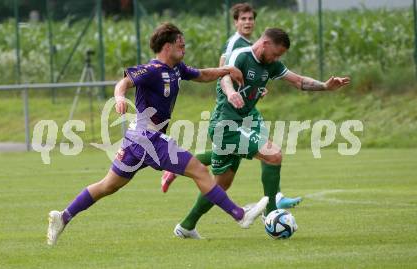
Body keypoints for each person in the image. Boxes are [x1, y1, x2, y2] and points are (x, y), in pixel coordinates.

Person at [46, 23, 269, 246]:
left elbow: (202, 75)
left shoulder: (177, 69)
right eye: (181, 45)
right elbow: (123, 83)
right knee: (199, 170)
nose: (184, 48)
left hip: (137, 140)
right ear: (167, 46)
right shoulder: (151, 70)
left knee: (108, 185)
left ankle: (63, 216)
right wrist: (120, 98)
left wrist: (227, 70)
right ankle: (240, 215)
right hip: (147, 138)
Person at [173, 27, 350, 239]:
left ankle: (186, 226)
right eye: (275, 53)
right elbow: (225, 76)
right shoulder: (241, 55)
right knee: (273, 154)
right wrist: (230, 94)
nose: (276, 58)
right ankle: (271, 212)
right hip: (225, 125)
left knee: (221, 185)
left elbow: (298, 81)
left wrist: (325, 86)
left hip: (242, 124)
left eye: (279, 56)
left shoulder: (271, 65)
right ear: (264, 43)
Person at [161, 3, 302, 210]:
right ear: (235, 22)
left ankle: (274, 197)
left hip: (246, 103)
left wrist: (255, 89)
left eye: (250, 19)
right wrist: (230, 93)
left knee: (253, 147)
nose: (247, 22)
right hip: (232, 105)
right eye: (242, 19)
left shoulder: (254, 45)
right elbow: (223, 70)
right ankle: (274, 199)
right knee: (262, 148)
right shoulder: (236, 44)